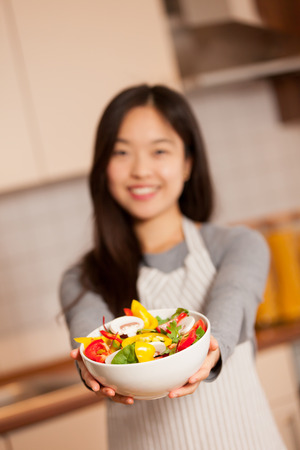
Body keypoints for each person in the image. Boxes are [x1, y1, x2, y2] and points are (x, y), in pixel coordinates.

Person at [60, 84, 286, 450]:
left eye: (159, 151)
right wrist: (92, 368)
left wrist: (212, 349)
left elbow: (234, 298)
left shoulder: (237, 246)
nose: (140, 170)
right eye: (121, 152)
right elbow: (91, 337)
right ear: (104, 167)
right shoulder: (83, 278)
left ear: (187, 163)